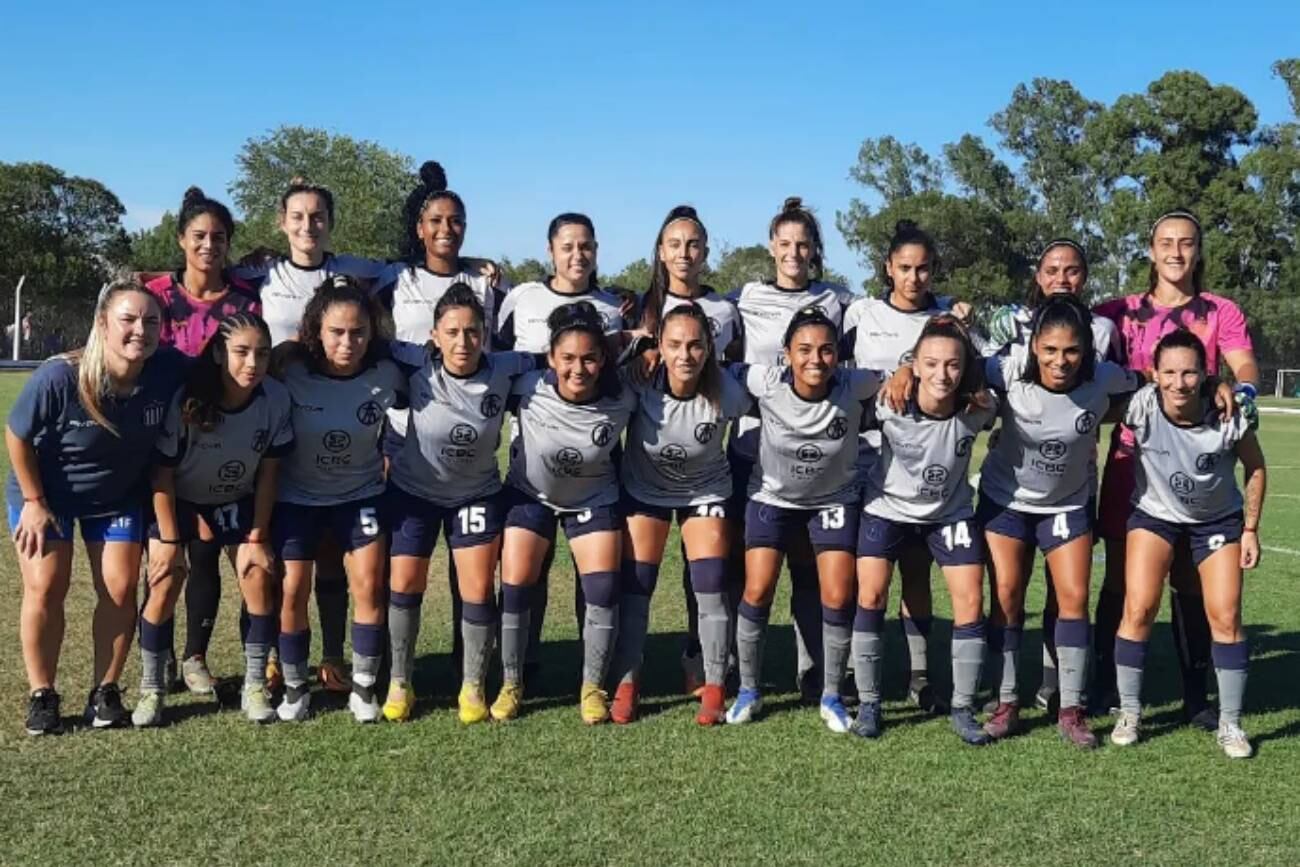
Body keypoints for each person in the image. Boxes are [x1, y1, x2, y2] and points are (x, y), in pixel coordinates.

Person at [1092, 209, 1260, 724]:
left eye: (1186, 243)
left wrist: (1242, 388)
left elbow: (1243, 362)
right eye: (1165, 242)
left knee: (1191, 582)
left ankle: (1196, 695)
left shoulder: (1218, 310)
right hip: (1131, 461)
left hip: (1198, 464)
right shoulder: (1119, 311)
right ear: (1150, 249)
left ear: (1198, 250)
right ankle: (1105, 686)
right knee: (1124, 578)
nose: (1175, 252)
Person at [9, 281, 186, 734]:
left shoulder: (166, 370)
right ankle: (42, 695)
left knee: (121, 588)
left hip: (117, 496)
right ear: (103, 324)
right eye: (128, 319)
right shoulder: (60, 375)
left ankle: (104, 692)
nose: (139, 331)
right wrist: (33, 501)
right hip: (47, 497)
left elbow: (224, 365)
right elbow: (18, 436)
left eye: (151, 322)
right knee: (47, 586)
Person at [977, 295, 1141, 749]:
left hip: (1068, 504)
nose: (1060, 360)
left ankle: (1071, 709)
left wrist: (1216, 388)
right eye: (1049, 350)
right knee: (1007, 596)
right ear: (1034, 348)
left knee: (1073, 597)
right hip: (1005, 501)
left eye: (1071, 351)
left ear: (1086, 351)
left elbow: (1147, 386)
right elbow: (961, 367)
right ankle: (1006, 701)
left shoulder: (1104, 377)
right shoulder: (1007, 370)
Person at [381, 284, 537, 724]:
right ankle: (400, 681)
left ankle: (472, 685)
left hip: (476, 494)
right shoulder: (412, 364)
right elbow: (360, 341)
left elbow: (554, 359)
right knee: (406, 584)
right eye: (452, 332)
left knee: (475, 588)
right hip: (414, 493)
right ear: (434, 335)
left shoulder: (506, 368)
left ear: (485, 334)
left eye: (472, 332)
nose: (463, 342)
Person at [1108, 330, 1266, 758]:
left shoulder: (1231, 414)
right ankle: (1129, 711)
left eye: (1190, 373)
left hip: (1215, 521)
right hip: (1154, 515)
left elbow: (1255, 467)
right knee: (1138, 607)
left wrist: (1250, 528)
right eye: (1170, 372)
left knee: (1226, 615)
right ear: (1154, 374)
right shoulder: (1140, 404)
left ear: (1206, 375)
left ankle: (1230, 723)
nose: (1179, 383)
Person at [725, 306, 883, 733]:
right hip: (771, 498)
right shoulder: (766, 381)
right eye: (805, 350)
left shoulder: (856, 383)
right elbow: (723, 368)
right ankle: (748, 690)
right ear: (786, 354)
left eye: (827, 350)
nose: (816, 359)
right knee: (757, 589)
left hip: (834, 500)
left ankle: (831, 694)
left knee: (836, 594)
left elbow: (900, 376)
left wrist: (902, 374)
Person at [727, 197, 857, 703]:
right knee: (748, 569)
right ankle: (737, 672)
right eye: (785, 244)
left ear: (814, 249)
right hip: (752, 451)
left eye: (803, 244)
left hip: (816, 455)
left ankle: (813, 670)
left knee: (809, 567)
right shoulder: (744, 298)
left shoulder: (839, 302)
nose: (794, 253)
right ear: (771, 247)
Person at [134, 313, 292, 726]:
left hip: (234, 500)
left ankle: (254, 685)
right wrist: (168, 543)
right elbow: (162, 474)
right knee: (165, 579)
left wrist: (257, 536)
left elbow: (270, 475)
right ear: (220, 354)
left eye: (261, 353)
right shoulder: (188, 399)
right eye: (241, 352)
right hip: (178, 500)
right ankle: (152, 689)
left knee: (258, 573)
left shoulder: (275, 399)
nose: (252, 363)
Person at [840, 219, 969, 716]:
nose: (914, 278)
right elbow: (836, 371)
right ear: (888, 269)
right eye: (904, 269)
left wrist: (910, 366)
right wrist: (894, 370)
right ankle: (856, 671)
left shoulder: (948, 317)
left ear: (933, 270)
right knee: (864, 575)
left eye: (922, 269)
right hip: (866, 461)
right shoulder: (862, 312)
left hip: (925, 468)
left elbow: (971, 375)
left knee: (916, 573)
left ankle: (919, 675)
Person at [494, 213, 628, 683]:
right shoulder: (521, 298)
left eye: (586, 246)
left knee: (591, 571)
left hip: (592, 462)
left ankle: (587, 666)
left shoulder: (612, 308)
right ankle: (522, 663)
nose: (577, 255)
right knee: (529, 566)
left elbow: (624, 376)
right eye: (568, 246)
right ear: (550, 250)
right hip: (531, 454)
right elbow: (495, 364)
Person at [142, 186, 263, 695]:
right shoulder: (154, 294)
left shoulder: (244, 297)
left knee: (208, 546)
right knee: (163, 555)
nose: (208, 244)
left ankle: (195, 656)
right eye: (199, 235)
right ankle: (159, 655)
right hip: (156, 436)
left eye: (218, 236)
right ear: (181, 240)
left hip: (218, 436)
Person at [271, 279, 407, 723]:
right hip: (297, 499)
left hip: (360, 495)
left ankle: (364, 687)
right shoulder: (290, 372)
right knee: (292, 589)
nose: (348, 342)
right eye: (337, 332)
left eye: (358, 332)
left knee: (368, 584)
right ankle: (295, 688)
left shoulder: (387, 375)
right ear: (316, 331)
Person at [855, 315, 994, 744]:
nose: (942, 374)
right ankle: (869, 703)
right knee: (872, 595)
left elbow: (1002, 368)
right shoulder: (888, 402)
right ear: (914, 365)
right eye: (930, 364)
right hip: (887, 509)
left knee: (971, 598)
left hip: (949, 514)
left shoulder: (979, 408)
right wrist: (899, 367)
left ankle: (963, 707)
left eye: (952, 365)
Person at [612, 301, 750, 725]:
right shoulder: (639, 380)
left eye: (694, 345)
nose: (685, 355)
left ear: (709, 348)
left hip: (705, 489)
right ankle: (626, 683)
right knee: (638, 586)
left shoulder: (729, 390)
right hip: (645, 489)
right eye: (675, 345)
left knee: (710, 584)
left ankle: (713, 684)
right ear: (660, 346)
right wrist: (634, 349)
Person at [634, 205, 742, 694]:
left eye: (693, 244)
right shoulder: (634, 307)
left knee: (708, 572)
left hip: (705, 465)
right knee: (633, 574)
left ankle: (701, 658)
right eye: (674, 244)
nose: (684, 253)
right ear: (661, 251)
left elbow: (735, 379)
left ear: (705, 251)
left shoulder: (726, 311)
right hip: (647, 470)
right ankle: (620, 670)